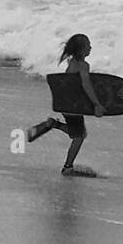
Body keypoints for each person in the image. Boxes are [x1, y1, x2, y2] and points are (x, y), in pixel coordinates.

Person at [27, 33, 105, 175]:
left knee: (78, 133)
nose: (91, 48)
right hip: (73, 106)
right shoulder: (83, 66)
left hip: (66, 104)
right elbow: (86, 85)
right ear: (81, 49)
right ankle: (68, 167)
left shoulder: (71, 62)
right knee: (79, 136)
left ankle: (53, 124)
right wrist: (96, 104)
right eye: (88, 45)